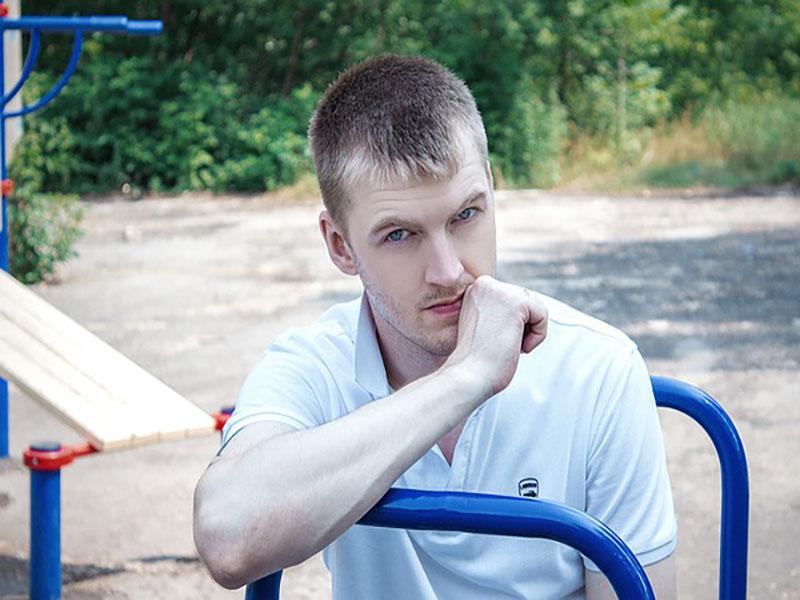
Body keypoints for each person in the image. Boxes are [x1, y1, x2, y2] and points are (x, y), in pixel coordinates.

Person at [193, 54, 677, 599]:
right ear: (339, 245)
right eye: (399, 234)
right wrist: (465, 379)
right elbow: (227, 537)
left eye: (466, 215)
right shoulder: (313, 365)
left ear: (492, 190)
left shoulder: (597, 369)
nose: (449, 271)